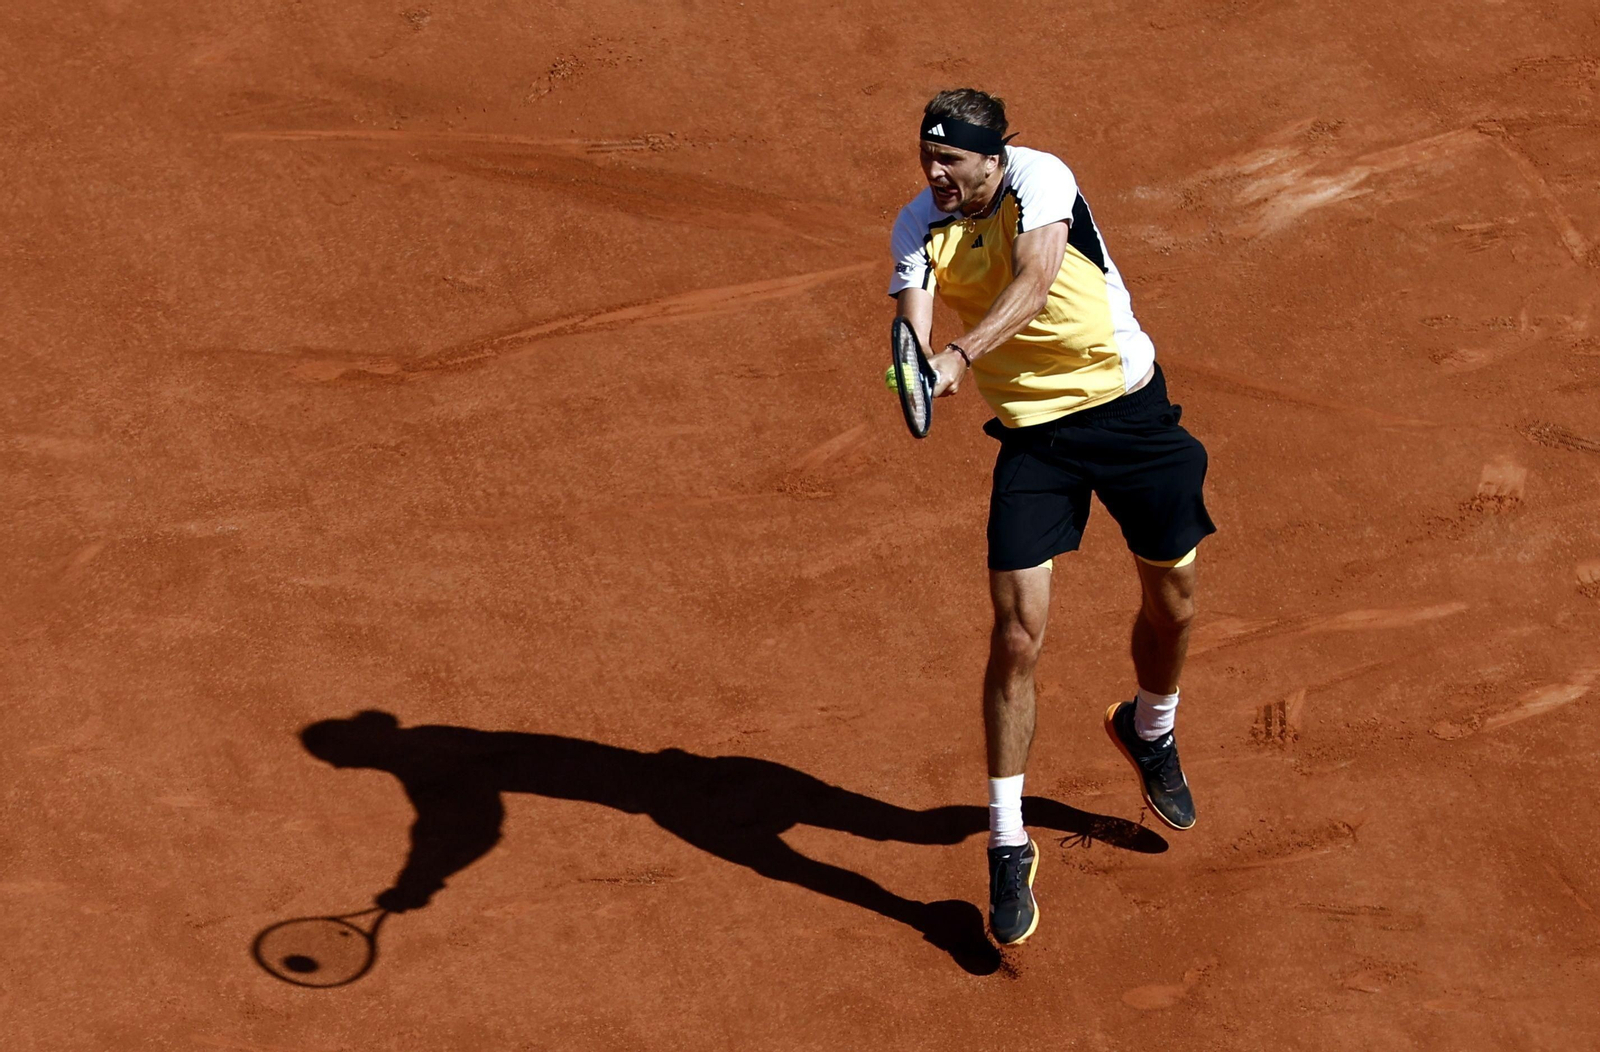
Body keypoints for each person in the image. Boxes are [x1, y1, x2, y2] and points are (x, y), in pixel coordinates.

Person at [888, 89, 1217, 946]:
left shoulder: (1042, 178)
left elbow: (1035, 280)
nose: (936, 173)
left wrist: (960, 356)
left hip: (1130, 414)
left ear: (993, 156)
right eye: (927, 157)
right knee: (1017, 634)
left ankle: (1150, 729)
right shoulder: (915, 228)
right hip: (1037, 444)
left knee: (1173, 604)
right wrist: (921, 366)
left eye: (951, 159)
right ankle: (1006, 841)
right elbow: (914, 332)